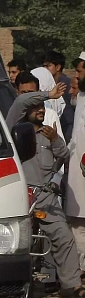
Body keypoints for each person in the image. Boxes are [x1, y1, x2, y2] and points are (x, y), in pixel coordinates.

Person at [6, 91, 85, 298]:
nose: (41, 109)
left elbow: (64, 155)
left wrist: (56, 139)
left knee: (64, 236)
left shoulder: (48, 133)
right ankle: (15, 287)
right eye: (36, 107)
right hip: (21, 196)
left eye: (43, 106)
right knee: (19, 242)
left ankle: (71, 285)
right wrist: (49, 94)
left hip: (45, 196)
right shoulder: (13, 128)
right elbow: (21, 100)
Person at [65, 52, 85, 282]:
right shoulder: (80, 98)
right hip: (77, 174)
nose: (76, 78)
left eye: (79, 71)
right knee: (78, 223)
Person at [15, 72, 66, 142]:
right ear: (17, 91)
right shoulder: (12, 114)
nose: (28, 98)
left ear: (38, 92)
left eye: (31, 93)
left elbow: (61, 148)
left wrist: (54, 139)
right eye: (24, 93)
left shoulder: (49, 115)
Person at [43, 51, 74, 143]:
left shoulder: (66, 83)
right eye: (43, 66)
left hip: (67, 128)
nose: (45, 69)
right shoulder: (48, 84)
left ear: (58, 67)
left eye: (48, 66)